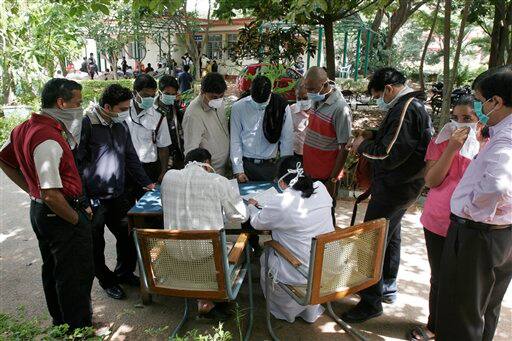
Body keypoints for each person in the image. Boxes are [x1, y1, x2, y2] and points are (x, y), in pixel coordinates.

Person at [0, 78, 94, 330]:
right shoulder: (47, 138)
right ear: (61, 103)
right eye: (77, 103)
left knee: (54, 269)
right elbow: (52, 194)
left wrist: (33, 191)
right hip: (59, 212)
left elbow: (4, 159)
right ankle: (79, 328)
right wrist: (76, 220)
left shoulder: (24, 128)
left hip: (42, 210)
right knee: (73, 274)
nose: (80, 108)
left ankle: (61, 321)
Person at [342, 67, 433, 323]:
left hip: (396, 186)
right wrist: (373, 135)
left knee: (371, 241)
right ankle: (387, 288)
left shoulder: (406, 108)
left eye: (378, 94)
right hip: (404, 186)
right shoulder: (411, 105)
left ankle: (370, 302)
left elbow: (388, 154)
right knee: (390, 236)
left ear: (389, 89)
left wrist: (362, 146)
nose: (379, 99)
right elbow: (397, 142)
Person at [435, 66, 512, 341]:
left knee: (462, 310)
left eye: (480, 101)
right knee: (486, 306)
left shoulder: (505, 140)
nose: (478, 107)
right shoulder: (501, 132)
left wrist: (470, 211)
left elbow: (498, 185)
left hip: (478, 233)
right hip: (501, 233)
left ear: (496, 102)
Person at [409, 95, 487, 341]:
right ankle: (434, 325)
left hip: (474, 223)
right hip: (438, 219)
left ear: (481, 120)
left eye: (468, 118)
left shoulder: (491, 145)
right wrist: (452, 149)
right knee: (440, 277)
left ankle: (458, 330)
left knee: (467, 281)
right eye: (455, 118)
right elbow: (432, 181)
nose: (460, 124)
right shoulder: (442, 141)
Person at [75, 84, 156, 300]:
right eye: (122, 109)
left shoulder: (121, 127)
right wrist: (83, 199)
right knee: (96, 245)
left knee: (128, 236)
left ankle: (124, 272)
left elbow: (131, 157)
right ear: (107, 107)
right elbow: (77, 164)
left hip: (119, 194)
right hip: (94, 199)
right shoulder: (87, 125)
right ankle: (107, 281)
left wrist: (147, 184)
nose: (125, 113)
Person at [161, 147, 248, 319]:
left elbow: (166, 205)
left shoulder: (168, 177)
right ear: (207, 164)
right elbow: (241, 215)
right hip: (210, 264)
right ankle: (211, 298)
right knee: (242, 247)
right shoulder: (218, 181)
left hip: (174, 261)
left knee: (202, 245)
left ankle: (205, 301)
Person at [247, 156, 334, 323]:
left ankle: (285, 312)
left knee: (266, 256)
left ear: (281, 182)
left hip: (298, 274)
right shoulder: (321, 188)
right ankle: (309, 312)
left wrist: (252, 206)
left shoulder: (282, 201)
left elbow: (256, 223)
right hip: (325, 269)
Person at [302, 66, 352, 221]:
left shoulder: (340, 108)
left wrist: (332, 179)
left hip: (326, 177)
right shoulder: (316, 99)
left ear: (324, 85)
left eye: (312, 89)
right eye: (307, 88)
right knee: (309, 216)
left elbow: (345, 147)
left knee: (324, 217)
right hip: (310, 172)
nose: (308, 92)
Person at [230, 75, 293, 182]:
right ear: (250, 91)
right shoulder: (239, 107)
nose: (260, 105)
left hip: (271, 166)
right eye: (256, 102)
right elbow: (235, 140)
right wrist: (238, 170)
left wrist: (284, 172)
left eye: (263, 102)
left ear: (270, 93)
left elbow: (287, 141)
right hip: (246, 166)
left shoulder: (281, 106)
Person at [126, 74, 171, 191]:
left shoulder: (159, 115)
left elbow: (163, 146)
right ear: (135, 93)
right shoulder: (123, 111)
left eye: (152, 96)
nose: (149, 99)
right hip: (126, 168)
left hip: (149, 168)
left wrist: (164, 171)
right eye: (146, 95)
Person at [183, 72, 230, 175]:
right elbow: (191, 152)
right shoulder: (193, 115)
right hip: (209, 174)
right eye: (214, 97)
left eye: (221, 96)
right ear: (202, 92)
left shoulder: (219, 103)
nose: (218, 100)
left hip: (223, 169)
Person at [155, 75, 185, 169]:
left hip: (177, 152)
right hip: (160, 155)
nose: (170, 97)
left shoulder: (175, 106)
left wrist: (178, 105)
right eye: (167, 94)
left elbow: (184, 122)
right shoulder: (153, 108)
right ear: (160, 92)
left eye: (173, 94)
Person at [290, 79, 313, 159]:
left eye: (305, 98)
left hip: (312, 155)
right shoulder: (292, 110)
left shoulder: (318, 112)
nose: (301, 101)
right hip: (295, 154)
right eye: (298, 98)